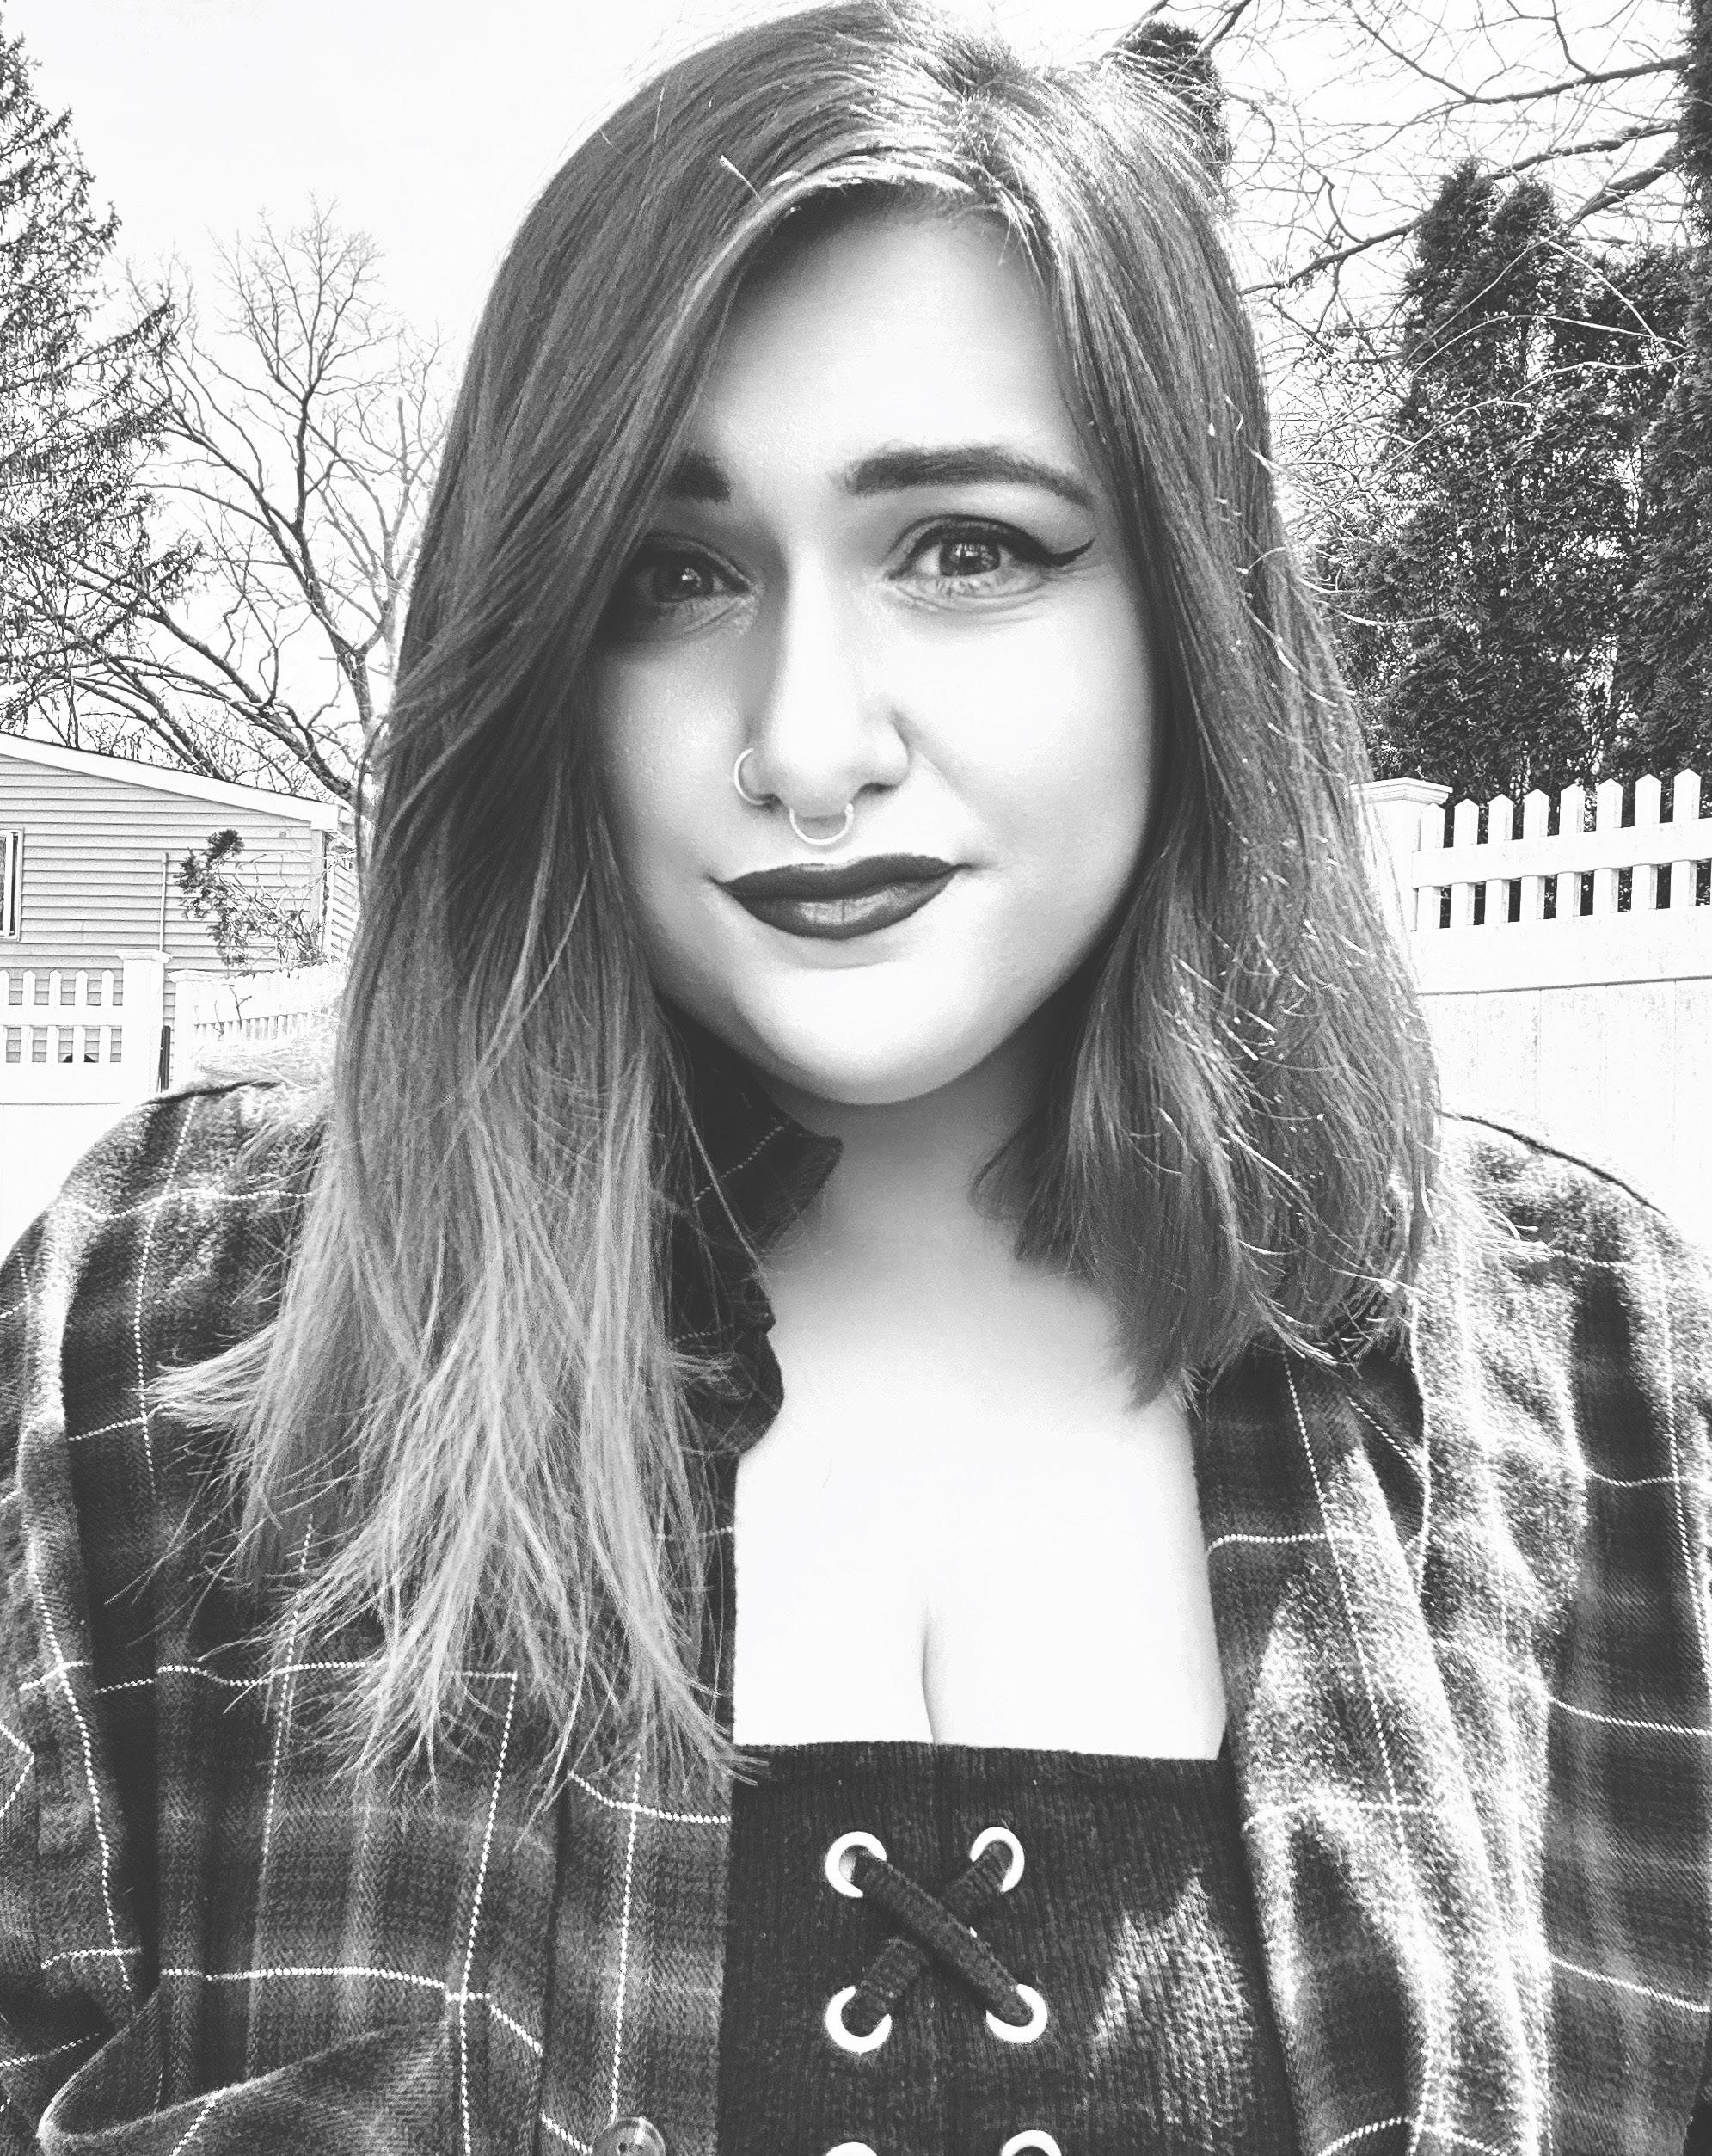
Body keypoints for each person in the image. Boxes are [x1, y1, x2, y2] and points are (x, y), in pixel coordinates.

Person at [2, 4, 1709, 2152]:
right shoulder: (168, 1333)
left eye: (968, 547)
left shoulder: (1596, 1377)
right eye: (673, 573)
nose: (810, 741)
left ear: (1191, 611)